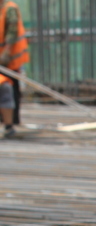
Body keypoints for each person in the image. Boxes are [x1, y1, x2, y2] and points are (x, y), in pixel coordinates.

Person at [0, 0, 28, 138]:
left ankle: (10, 123)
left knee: (9, 88)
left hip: (10, 59)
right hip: (3, 59)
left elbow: (12, 31)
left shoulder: (9, 9)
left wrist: (6, 53)